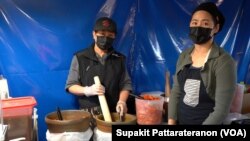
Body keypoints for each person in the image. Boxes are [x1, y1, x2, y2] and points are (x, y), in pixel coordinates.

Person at [168, 2, 237, 125]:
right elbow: (176, 92)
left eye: (205, 23)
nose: (198, 27)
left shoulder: (224, 62)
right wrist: (171, 122)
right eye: (194, 23)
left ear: (215, 28)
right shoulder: (184, 56)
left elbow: (221, 111)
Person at [65, 17, 132, 119]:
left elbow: (125, 84)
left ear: (114, 37)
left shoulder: (119, 59)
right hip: (88, 114)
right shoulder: (80, 57)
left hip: (113, 113)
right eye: (102, 34)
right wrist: (87, 90)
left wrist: (122, 101)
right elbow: (71, 85)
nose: (105, 38)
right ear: (94, 34)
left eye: (110, 35)